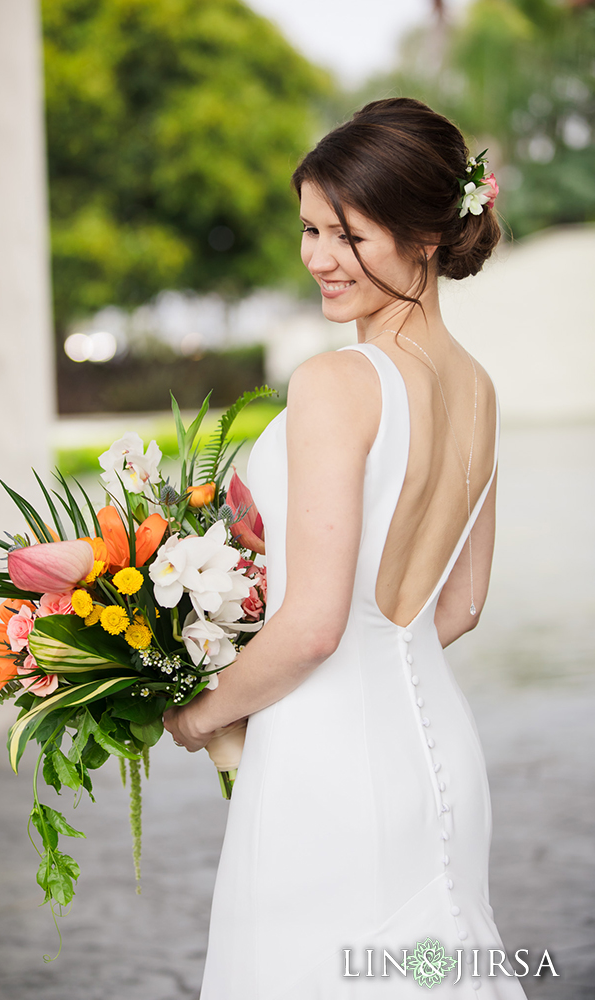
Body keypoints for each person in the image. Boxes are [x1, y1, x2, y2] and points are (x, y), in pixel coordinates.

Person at [162, 98, 518, 996]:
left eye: (350, 235)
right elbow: (462, 605)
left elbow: (316, 625)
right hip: (439, 757)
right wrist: (378, 664)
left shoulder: (336, 382)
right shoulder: (479, 390)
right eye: (311, 230)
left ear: (426, 237)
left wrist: (201, 713)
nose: (320, 258)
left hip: (325, 772)